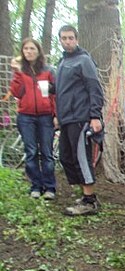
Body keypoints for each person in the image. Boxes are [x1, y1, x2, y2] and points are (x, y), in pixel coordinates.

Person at [55, 25, 104, 216]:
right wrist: (57, 115)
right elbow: (61, 92)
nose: (67, 41)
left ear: (77, 39)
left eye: (70, 38)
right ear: (59, 40)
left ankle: (90, 202)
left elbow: (94, 88)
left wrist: (95, 115)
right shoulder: (62, 63)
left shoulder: (83, 61)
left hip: (81, 117)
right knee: (66, 157)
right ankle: (85, 195)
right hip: (66, 118)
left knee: (80, 158)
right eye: (64, 38)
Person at [9, 38, 57, 200]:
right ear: (22, 52)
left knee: (47, 152)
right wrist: (17, 74)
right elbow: (16, 93)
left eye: (32, 49)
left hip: (45, 116)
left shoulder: (48, 70)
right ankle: (36, 186)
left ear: (38, 51)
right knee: (31, 152)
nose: (29, 52)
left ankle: (50, 187)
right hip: (26, 117)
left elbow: (55, 94)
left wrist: (56, 115)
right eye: (26, 49)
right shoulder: (20, 71)